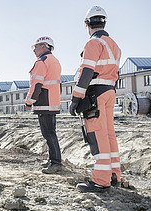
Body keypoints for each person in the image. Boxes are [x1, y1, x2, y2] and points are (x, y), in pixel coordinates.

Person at [69, 6, 122, 193]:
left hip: (96, 93)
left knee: (98, 135)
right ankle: (114, 174)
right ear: (104, 22)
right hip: (110, 91)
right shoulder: (114, 45)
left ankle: (100, 180)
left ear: (87, 24)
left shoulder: (93, 43)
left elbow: (87, 73)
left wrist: (75, 99)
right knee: (108, 134)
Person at [25, 36, 62, 174]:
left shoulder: (42, 62)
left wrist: (29, 101)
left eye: (36, 47)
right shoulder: (55, 61)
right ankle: (54, 159)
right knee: (51, 133)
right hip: (52, 102)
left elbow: (36, 85)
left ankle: (55, 163)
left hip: (44, 103)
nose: (34, 50)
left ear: (44, 46)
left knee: (48, 133)